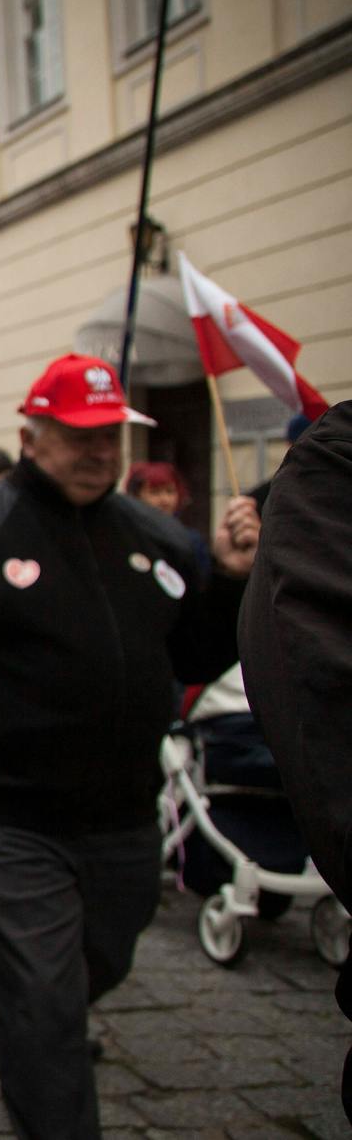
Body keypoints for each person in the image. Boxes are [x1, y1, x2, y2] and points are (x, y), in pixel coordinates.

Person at [0, 353, 259, 1139]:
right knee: (48, 1009)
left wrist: (236, 581)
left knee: (97, 965)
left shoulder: (161, 539)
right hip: (9, 826)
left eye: (109, 434)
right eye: (77, 435)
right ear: (31, 435)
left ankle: (21, 1033)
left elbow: (196, 655)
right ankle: (37, 1058)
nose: (97, 451)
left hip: (124, 822)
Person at [239, 401, 349, 1125]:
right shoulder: (337, 469)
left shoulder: (145, 537)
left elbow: (186, 644)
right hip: (9, 800)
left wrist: (218, 577)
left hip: (118, 815)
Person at [124, 460, 212, 583]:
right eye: (155, 492)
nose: (164, 500)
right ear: (136, 496)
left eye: (170, 491)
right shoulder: (126, 538)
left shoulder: (191, 541)